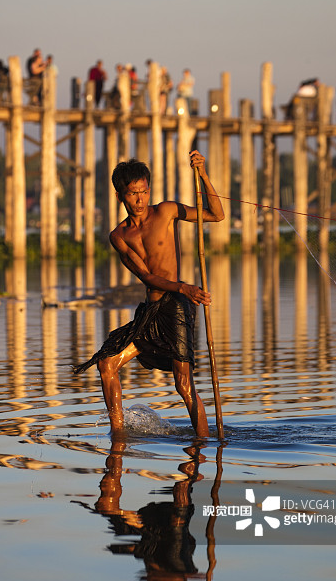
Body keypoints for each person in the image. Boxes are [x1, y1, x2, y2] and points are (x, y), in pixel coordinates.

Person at [73, 150, 224, 438]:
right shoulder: (119, 236)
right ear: (121, 197)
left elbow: (217, 215)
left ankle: (205, 444)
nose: (140, 200)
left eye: (143, 192)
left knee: (183, 385)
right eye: (133, 194)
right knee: (107, 364)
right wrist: (184, 286)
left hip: (177, 307)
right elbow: (146, 276)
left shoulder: (166, 211)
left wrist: (203, 175)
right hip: (151, 310)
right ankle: (117, 435)